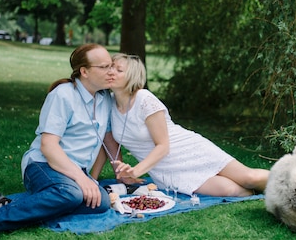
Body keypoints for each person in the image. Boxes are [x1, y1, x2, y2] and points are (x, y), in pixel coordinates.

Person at [0, 43, 120, 240]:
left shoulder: (105, 99)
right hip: (43, 164)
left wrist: (116, 171)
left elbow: (107, 139)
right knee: (71, 195)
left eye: (111, 65)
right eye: (104, 67)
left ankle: (9, 203)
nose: (111, 71)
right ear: (84, 71)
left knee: (100, 203)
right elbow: (48, 146)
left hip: (71, 172)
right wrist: (82, 178)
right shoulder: (63, 95)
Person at [105, 53, 270, 197]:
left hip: (187, 150)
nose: (111, 72)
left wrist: (137, 171)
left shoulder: (144, 99)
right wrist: (120, 173)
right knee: (232, 191)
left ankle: (292, 180)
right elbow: (109, 139)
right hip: (164, 171)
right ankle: (267, 193)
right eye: (110, 67)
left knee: (250, 178)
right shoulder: (109, 102)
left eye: (119, 70)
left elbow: (163, 146)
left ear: (132, 76)